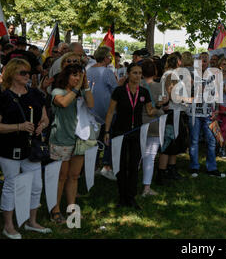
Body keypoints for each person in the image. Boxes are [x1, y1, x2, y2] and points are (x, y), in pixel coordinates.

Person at [0, 58, 51, 239]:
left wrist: (42, 125)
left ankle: (32, 222)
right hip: (9, 148)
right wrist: (19, 127)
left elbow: (45, 118)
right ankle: (8, 225)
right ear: (12, 74)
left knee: (37, 185)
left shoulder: (36, 94)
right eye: (23, 72)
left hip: (32, 149)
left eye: (28, 72)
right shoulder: (3, 97)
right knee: (11, 185)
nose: (27, 76)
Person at [49, 64, 94, 223]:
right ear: (66, 76)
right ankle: (55, 210)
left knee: (74, 176)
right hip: (62, 140)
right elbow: (63, 103)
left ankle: (71, 208)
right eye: (74, 75)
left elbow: (91, 104)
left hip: (79, 140)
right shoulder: (57, 91)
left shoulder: (81, 91)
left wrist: (86, 86)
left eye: (80, 76)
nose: (77, 79)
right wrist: (77, 89)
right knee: (61, 177)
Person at [104, 63, 153, 209]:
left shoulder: (144, 92)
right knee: (120, 165)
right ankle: (122, 197)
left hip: (137, 133)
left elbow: (150, 111)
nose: (138, 76)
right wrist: (107, 131)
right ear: (128, 74)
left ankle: (131, 197)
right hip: (120, 132)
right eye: (135, 73)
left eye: (140, 73)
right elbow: (110, 112)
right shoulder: (119, 91)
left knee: (133, 165)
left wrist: (163, 106)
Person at [187, 52, 226, 178]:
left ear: (209, 62)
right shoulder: (191, 74)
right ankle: (194, 167)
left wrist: (217, 110)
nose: (203, 63)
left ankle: (212, 168)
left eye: (205, 60)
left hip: (209, 113)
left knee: (211, 140)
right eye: (201, 60)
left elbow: (217, 94)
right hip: (194, 113)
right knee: (194, 140)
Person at [155, 54, 189, 183]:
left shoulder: (171, 74)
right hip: (171, 112)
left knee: (175, 141)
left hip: (176, 111)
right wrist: (187, 100)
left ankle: (171, 169)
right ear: (179, 62)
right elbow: (171, 93)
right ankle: (162, 172)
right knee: (168, 142)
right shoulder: (170, 74)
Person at [87, 46, 118, 180]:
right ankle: (106, 167)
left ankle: (92, 167)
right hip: (106, 112)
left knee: (93, 142)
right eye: (109, 57)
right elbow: (116, 91)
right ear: (106, 58)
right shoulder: (106, 72)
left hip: (90, 111)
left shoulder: (88, 70)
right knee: (107, 139)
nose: (110, 59)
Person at [141, 59, 166, 195]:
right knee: (149, 156)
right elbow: (165, 101)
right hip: (155, 122)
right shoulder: (159, 86)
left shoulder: (137, 85)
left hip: (140, 122)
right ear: (155, 71)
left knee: (138, 155)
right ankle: (146, 187)